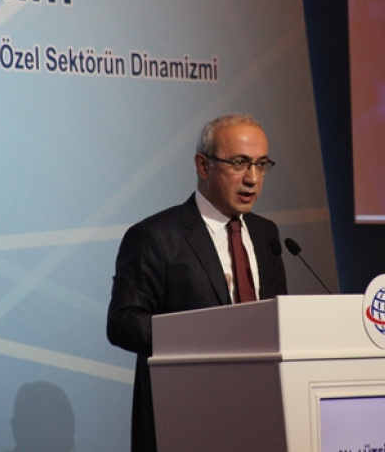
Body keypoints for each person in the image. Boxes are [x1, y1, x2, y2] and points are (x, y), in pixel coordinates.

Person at [106, 113, 288, 452]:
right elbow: (123, 323)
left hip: (258, 415)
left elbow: (279, 320)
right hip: (184, 419)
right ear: (203, 166)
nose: (252, 179)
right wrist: (205, 334)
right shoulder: (156, 236)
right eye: (239, 163)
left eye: (261, 165)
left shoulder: (267, 234)